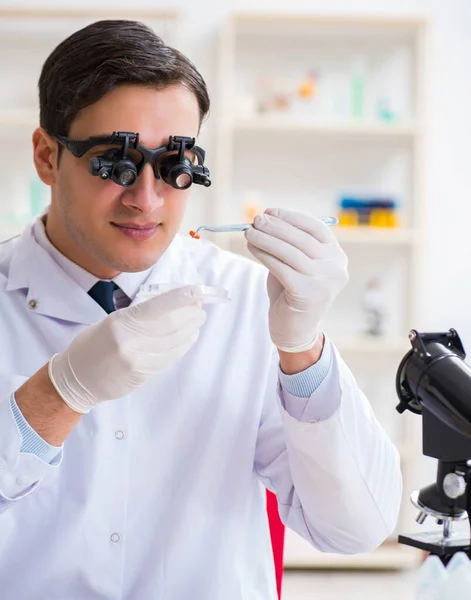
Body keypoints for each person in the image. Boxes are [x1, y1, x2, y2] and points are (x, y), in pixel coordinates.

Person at [0, 19, 402, 600]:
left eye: (173, 165)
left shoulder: (248, 304)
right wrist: (58, 395)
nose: (147, 198)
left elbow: (355, 527)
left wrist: (304, 352)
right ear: (45, 156)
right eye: (114, 161)